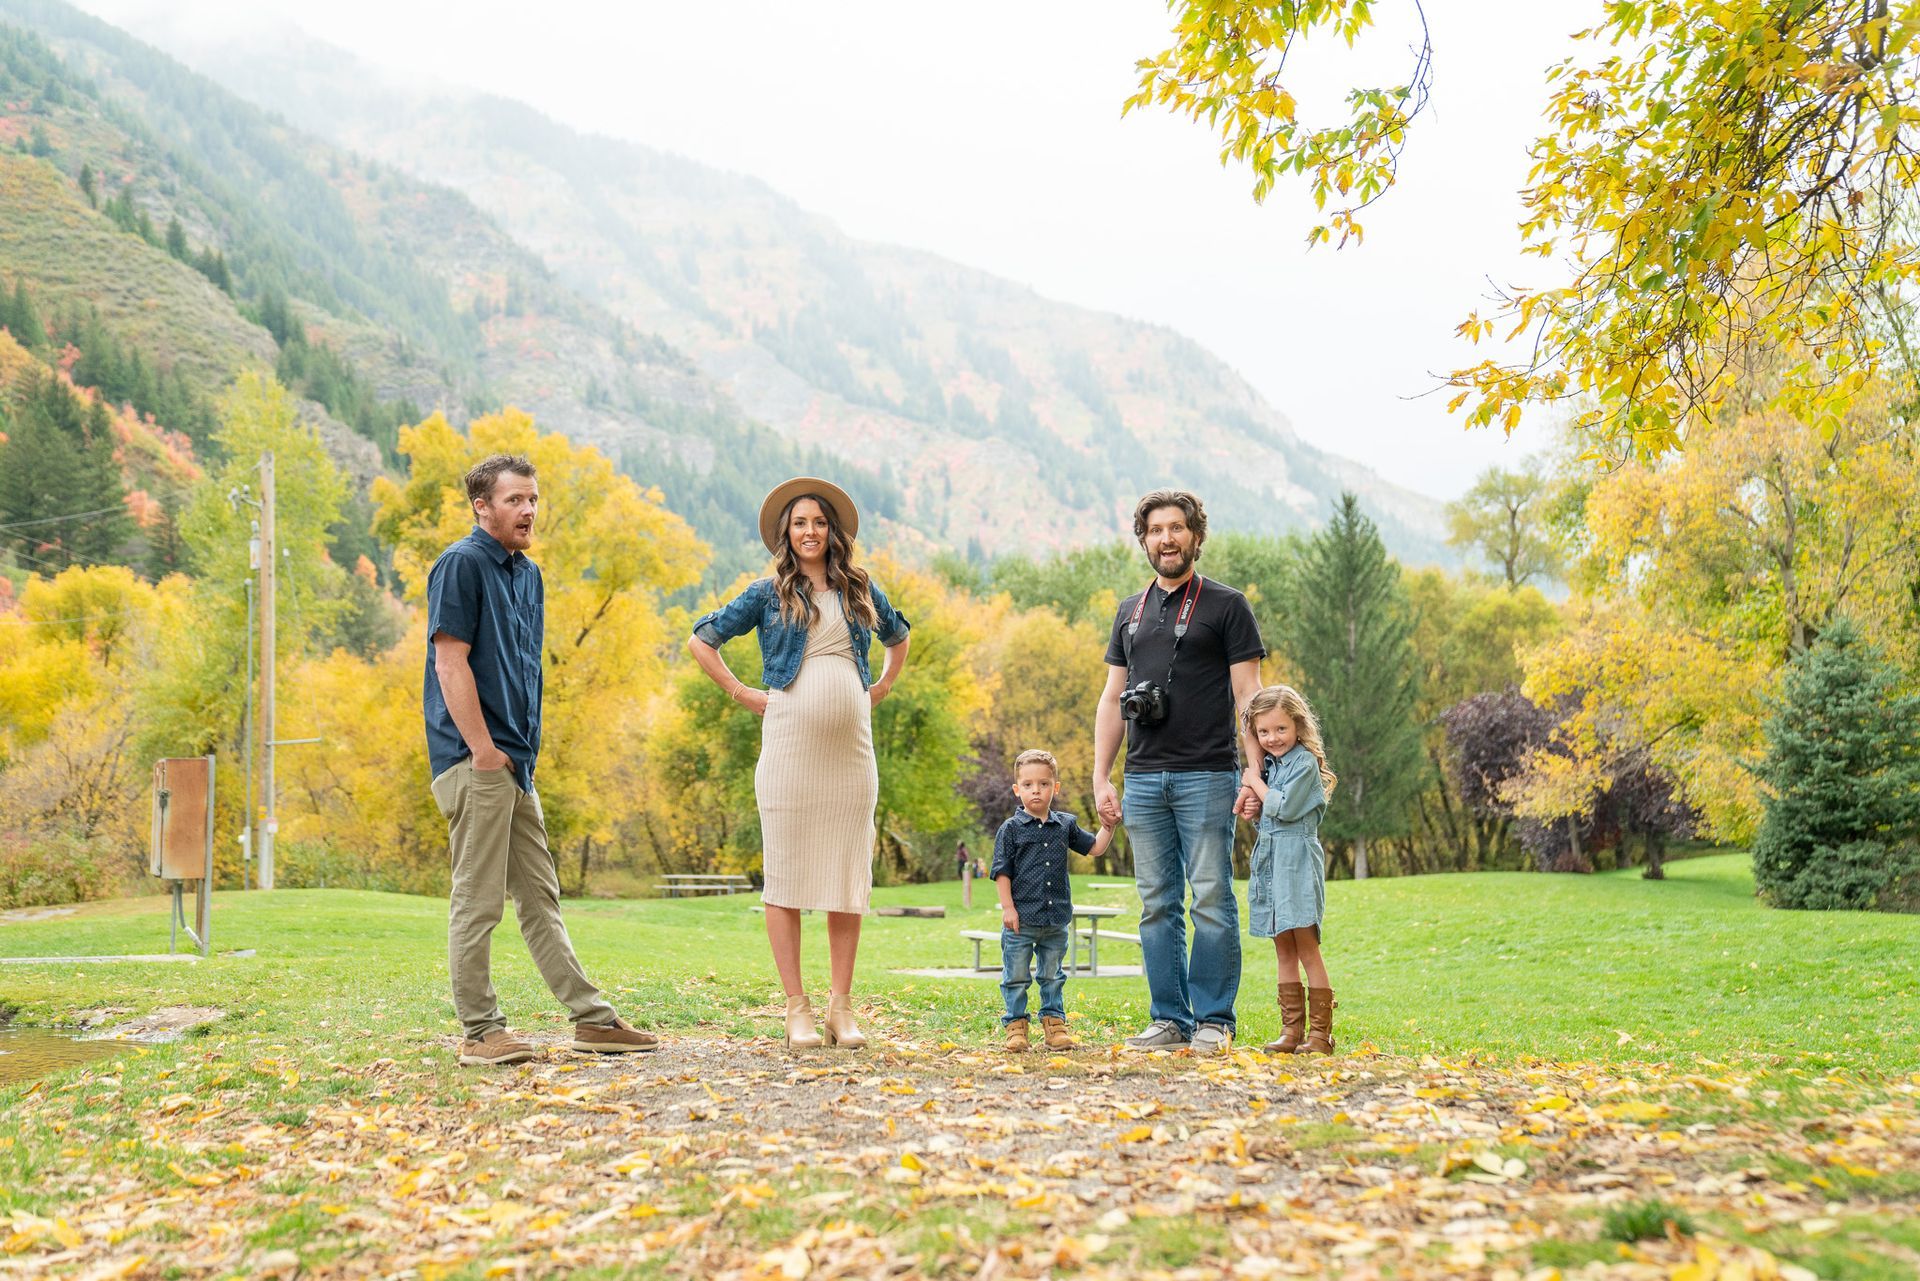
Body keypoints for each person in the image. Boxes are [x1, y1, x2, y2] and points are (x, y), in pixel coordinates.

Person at [423, 453, 658, 1066]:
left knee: (540, 897)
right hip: (477, 761)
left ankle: (592, 1020)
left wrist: (515, 759)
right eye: (514, 500)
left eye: (533, 499)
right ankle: (480, 1032)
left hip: (515, 765)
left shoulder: (528, 577)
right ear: (482, 506)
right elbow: (451, 664)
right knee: (478, 901)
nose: (528, 510)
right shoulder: (461, 565)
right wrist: (481, 751)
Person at [688, 477, 912, 1050]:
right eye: (799, 524)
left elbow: (899, 635)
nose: (809, 532)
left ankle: (841, 1007)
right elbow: (702, 641)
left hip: (851, 755)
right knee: (785, 875)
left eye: (818, 522)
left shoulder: (859, 587)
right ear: (787, 535)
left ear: (832, 531)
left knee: (846, 873)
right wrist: (743, 693)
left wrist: (881, 686)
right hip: (788, 748)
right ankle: (797, 1011)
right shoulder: (767, 593)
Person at [1093, 489, 1265, 1054]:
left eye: (1177, 528)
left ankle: (1215, 1020)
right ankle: (1169, 1020)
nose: (1166, 539)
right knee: (1157, 902)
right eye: (1156, 530)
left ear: (1195, 535)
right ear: (1143, 539)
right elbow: (1113, 696)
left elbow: (1250, 694)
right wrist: (1101, 776)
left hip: (1210, 773)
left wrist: (1254, 772)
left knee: (1212, 896)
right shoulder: (1129, 610)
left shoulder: (1226, 605)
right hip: (1142, 778)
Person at [991, 749, 1116, 1053]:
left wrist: (1109, 826)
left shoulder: (1065, 825)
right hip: (1021, 920)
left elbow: (1096, 848)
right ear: (1017, 789)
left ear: (1055, 788)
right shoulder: (1010, 830)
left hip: (1056, 919)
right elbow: (1002, 872)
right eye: (1029, 784)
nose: (1037, 790)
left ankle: (1054, 1025)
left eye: (1044, 784)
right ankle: (1016, 1027)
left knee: (1052, 975)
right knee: (1016, 976)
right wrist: (1008, 908)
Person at [1241, 686, 1339, 1054]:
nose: (1272, 738)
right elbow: (1268, 816)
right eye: (1263, 732)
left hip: (1296, 860)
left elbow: (1282, 807)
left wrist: (1254, 783)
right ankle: (1291, 1031)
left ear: (1298, 725)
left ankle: (1320, 1035)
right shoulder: (1270, 764)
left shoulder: (1304, 764)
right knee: (1282, 948)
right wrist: (1253, 808)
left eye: (1280, 729)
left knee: (1306, 947)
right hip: (1270, 860)